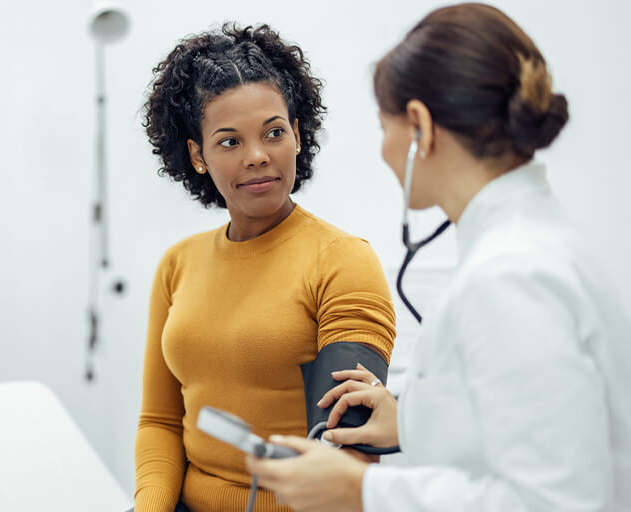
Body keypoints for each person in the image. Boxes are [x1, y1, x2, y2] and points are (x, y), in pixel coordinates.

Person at [246, 3, 631, 512]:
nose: (384, 151)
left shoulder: (512, 276)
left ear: (419, 127)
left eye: (385, 128)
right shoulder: (531, 247)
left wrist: (359, 491)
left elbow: (556, 500)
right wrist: (413, 419)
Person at [134, 24, 397, 512]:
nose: (257, 156)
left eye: (274, 133)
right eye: (230, 142)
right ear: (197, 155)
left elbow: (345, 451)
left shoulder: (342, 262)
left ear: (297, 136)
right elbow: (160, 422)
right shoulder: (178, 265)